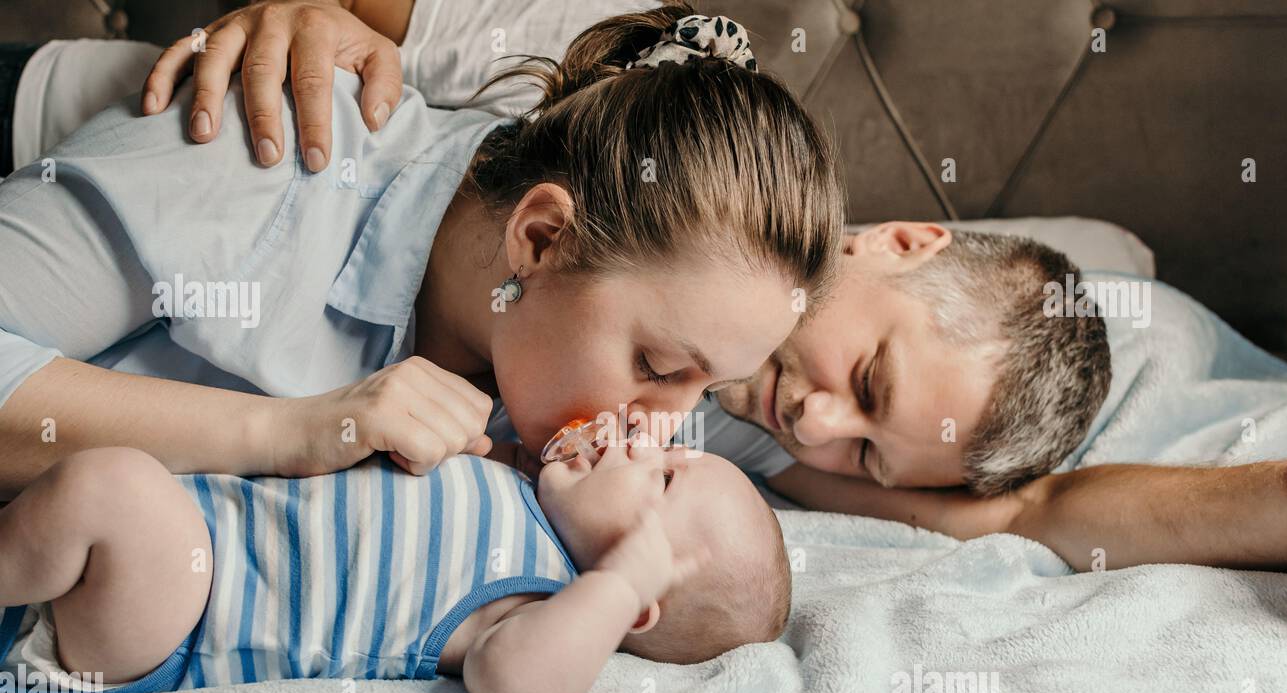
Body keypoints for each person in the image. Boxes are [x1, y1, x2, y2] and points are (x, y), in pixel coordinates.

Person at [0, 5, 842, 498]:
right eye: (657, 368)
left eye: (708, 390)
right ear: (541, 239)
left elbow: (809, 456)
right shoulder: (262, 162)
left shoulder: (579, 356)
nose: (665, 434)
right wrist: (281, 430)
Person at [0, 435, 789, 693]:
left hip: (185, 620)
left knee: (108, 490)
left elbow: (506, 678)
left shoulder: (539, 599)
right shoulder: (520, 488)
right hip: (197, 524)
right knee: (94, 493)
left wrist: (612, 590)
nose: (643, 445)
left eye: (663, 478)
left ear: (639, 606)